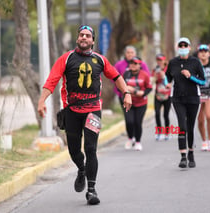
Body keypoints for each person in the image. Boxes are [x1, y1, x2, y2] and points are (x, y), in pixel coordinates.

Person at [37, 25, 132, 205]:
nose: (84, 38)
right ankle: (81, 169)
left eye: (88, 36)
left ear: (93, 41)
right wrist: (42, 100)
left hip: (93, 110)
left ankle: (91, 190)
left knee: (90, 149)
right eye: (81, 35)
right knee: (74, 150)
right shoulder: (66, 59)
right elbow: (51, 81)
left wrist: (126, 93)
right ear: (77, 38)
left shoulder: (100, 60)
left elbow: (117, 77)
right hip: (72, 111)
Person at [165, 37, 205, 168]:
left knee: (190, 126)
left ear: (189, 48)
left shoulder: (195, 62)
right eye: (180, 46)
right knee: (182, 126)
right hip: (177, 98)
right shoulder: (173, 63)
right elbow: (167, 78)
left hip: (193, 98)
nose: (183, 48)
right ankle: (183, 156)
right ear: (177, 48)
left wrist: (190, 76)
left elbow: (203, 81)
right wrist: (167, 84)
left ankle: (191, 153)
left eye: (185, 46)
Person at [123, 57, 152, 151]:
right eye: (131, 63)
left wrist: (140, 93)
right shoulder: (126, 74)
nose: (133, 65)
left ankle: (138, 142)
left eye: (135, 63)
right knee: (129, 122)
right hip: (129, 103)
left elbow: (149, 87)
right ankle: (130, 138)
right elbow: (121, 85)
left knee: (137, 122)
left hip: (141, 103)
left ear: (140, 65)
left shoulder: (144, 75)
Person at [152, 54, 171, 141]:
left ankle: (167, 133)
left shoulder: (169, 69)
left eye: (161, 60)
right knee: (157, 113)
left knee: (166, 115)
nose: (159, 62)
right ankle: (159, 132)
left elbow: (171, 82)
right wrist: (156, 76)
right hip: (158, 95)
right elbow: (152, 81)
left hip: (167, 95)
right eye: (158, 60)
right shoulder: (155, 69)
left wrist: (164, 76)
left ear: (164, 60)